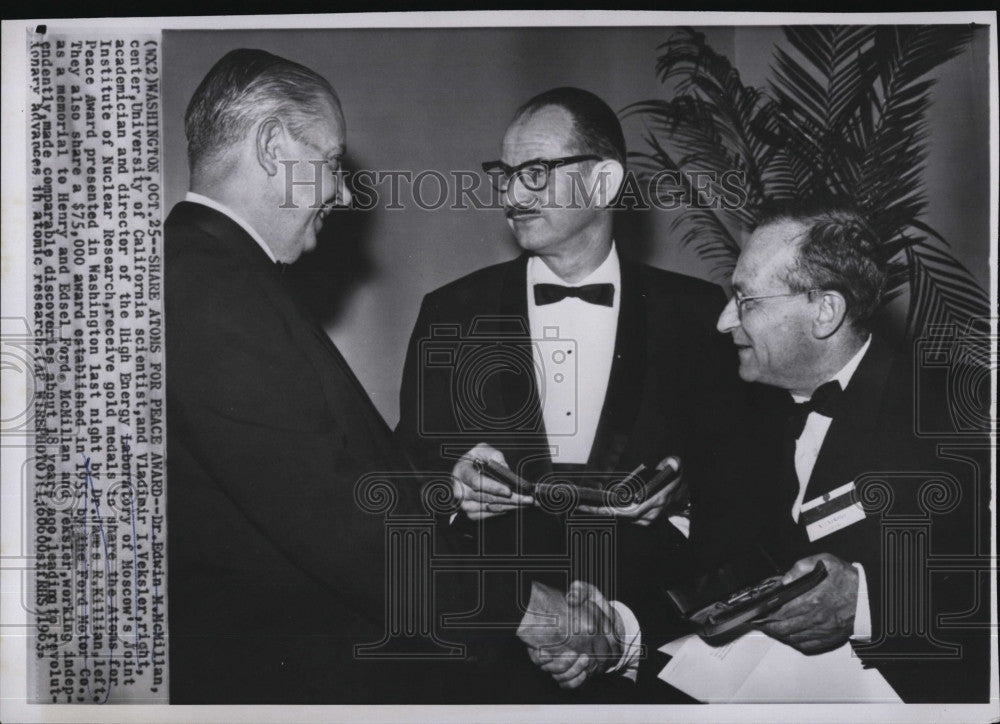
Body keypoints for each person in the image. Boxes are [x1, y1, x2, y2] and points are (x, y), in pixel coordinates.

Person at [526, 198, 991, 702]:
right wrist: (617, 633)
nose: (725, 320)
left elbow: (979, 587)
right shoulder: (736, 413)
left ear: (825, 311)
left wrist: (867, 605)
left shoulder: (957, 418)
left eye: (746, 300)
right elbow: (717, 577)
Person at [396, 87, 761, 700]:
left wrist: (683, 491)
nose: (511, 195)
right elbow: (406, 476)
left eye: (535, 173)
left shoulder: (701, 318)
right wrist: (453, 489)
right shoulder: (450, 312)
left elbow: (752, 494)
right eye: (504, 174)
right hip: (493, 655)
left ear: (604, 181)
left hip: (650, 651)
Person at [165, 48, 464, 704]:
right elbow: (336, 528)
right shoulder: (210, 287)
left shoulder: (216, 273)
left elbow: (312, 470)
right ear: (273, 146)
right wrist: (528, 614)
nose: (343, 190)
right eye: (330, 162)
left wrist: (443, 485)